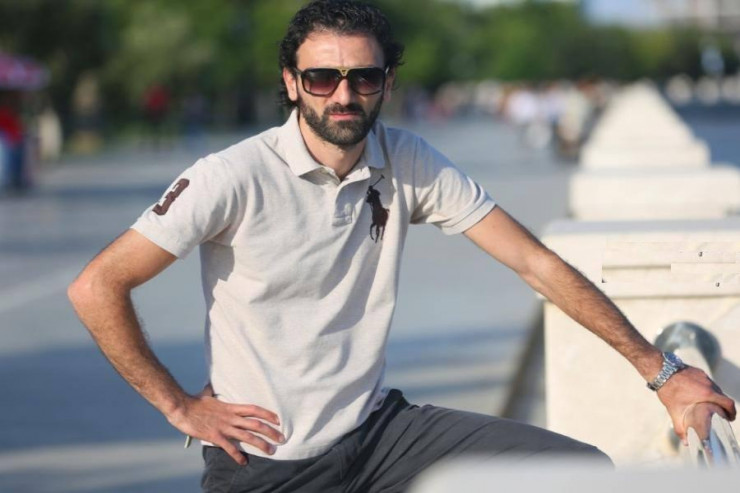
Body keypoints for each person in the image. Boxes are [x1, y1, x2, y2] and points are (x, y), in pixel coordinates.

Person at [68, 1, 736, 492]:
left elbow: (534, 262)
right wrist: (178, 404)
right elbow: (97, 285)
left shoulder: (406, 159)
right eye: (322, 77)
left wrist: (663, 372)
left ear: (387, 82)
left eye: (363, 77)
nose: (344, 94)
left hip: (379, 435)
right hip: (267, 462)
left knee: (577, 472)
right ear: (292, 82)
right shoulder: (232, 176)